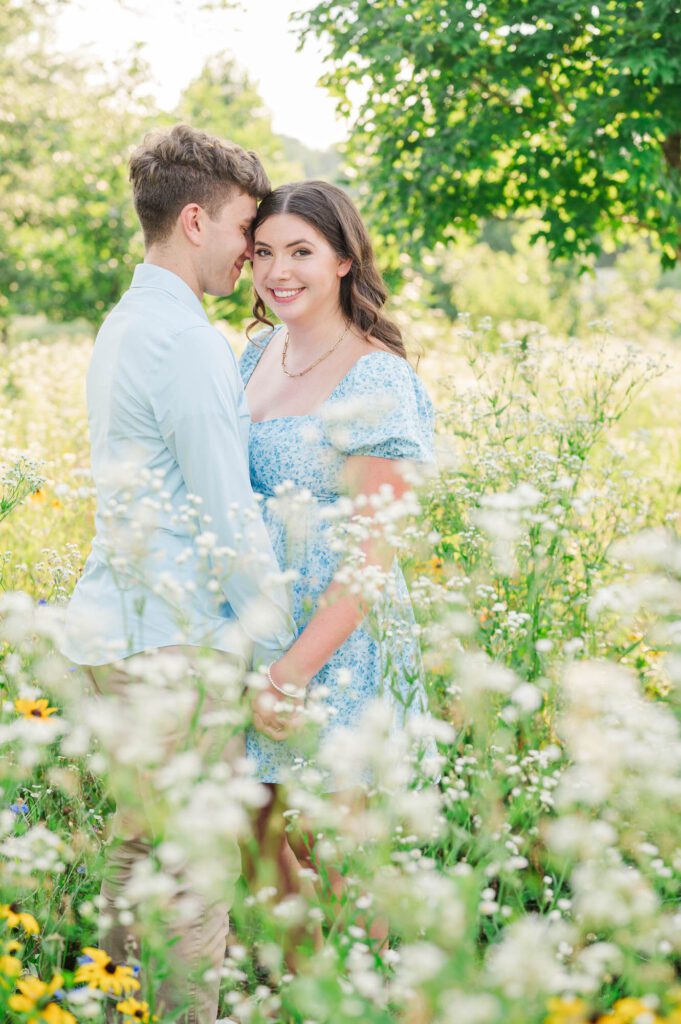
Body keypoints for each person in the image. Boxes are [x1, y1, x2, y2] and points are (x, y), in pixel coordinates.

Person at [61, 124, 298, 1024]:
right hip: (170, 645)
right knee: (193, 884)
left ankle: (103, 1012)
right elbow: (224, 516)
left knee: (138, 861)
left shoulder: (127, 324)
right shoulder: (189, 340)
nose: (253, 250)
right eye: (246, 228)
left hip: (114, 635)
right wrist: (280, 653)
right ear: (195, 219)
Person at [240, 181, 436, 949]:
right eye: (262, 253)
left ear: (345, 261)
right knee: (252, 836)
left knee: (338, 847)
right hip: (253, 624)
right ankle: (304, 990)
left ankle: (366, 991)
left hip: (337, 642)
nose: (276, 271)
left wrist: (292, 671)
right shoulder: (257, 351)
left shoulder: (374, 377)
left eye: (300, 252)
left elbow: (370, 556)